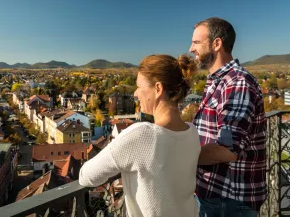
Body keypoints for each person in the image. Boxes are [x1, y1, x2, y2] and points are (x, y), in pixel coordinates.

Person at [79, 54, 201, 217]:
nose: (136, 93)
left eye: (139, 87)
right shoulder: (192, 132)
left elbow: (86, 177)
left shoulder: (141, 135)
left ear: (158, 89)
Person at [189, 17, 267, 217]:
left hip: (229, 200)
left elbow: (228, 149)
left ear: (217, 43)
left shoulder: (236, 83)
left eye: (196, 42)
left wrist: (181, 155)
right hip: (217, 196)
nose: (191, 49)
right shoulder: (219, 81)